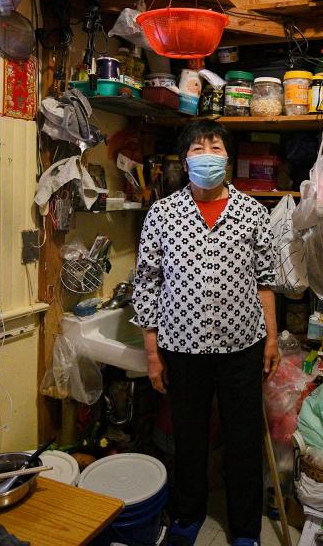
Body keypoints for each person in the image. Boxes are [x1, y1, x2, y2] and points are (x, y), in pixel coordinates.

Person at [133, 119, 280, 546]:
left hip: (242, 344)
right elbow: (147, 282)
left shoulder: (252, 211)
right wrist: (152, 351)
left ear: (228, 159)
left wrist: (271, 340)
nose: (207, 155)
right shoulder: (162, 213)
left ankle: (245, 529)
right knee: (189, 436)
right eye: (197, 149)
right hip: (181, 345)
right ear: (185, 160)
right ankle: (188, 513)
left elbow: (265, 282)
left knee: (242, 439)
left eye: (214, 147)